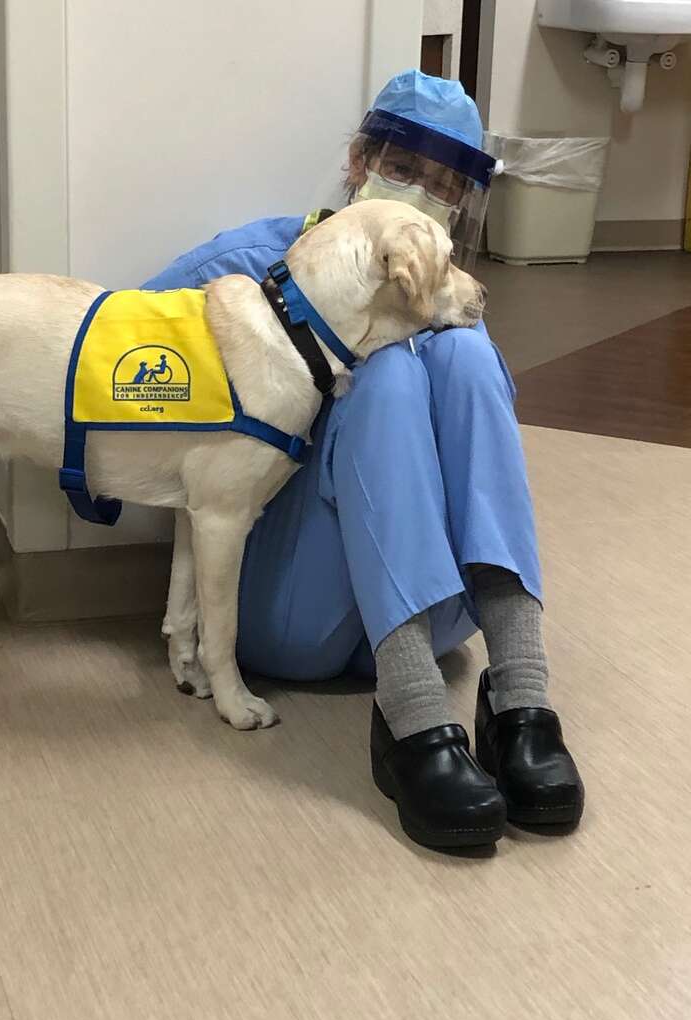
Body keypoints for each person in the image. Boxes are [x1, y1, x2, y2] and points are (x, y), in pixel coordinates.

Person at [144, 71, 583, 849]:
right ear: (358, 162)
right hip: (293, 611)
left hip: (443, 614)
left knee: (466, 357)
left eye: (443, 186)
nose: (418, 197)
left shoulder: (445, 284)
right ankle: (412, 718)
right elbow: (118, 349)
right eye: (405, 172)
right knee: (379, 369)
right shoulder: (263, 257)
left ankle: (520, 692)